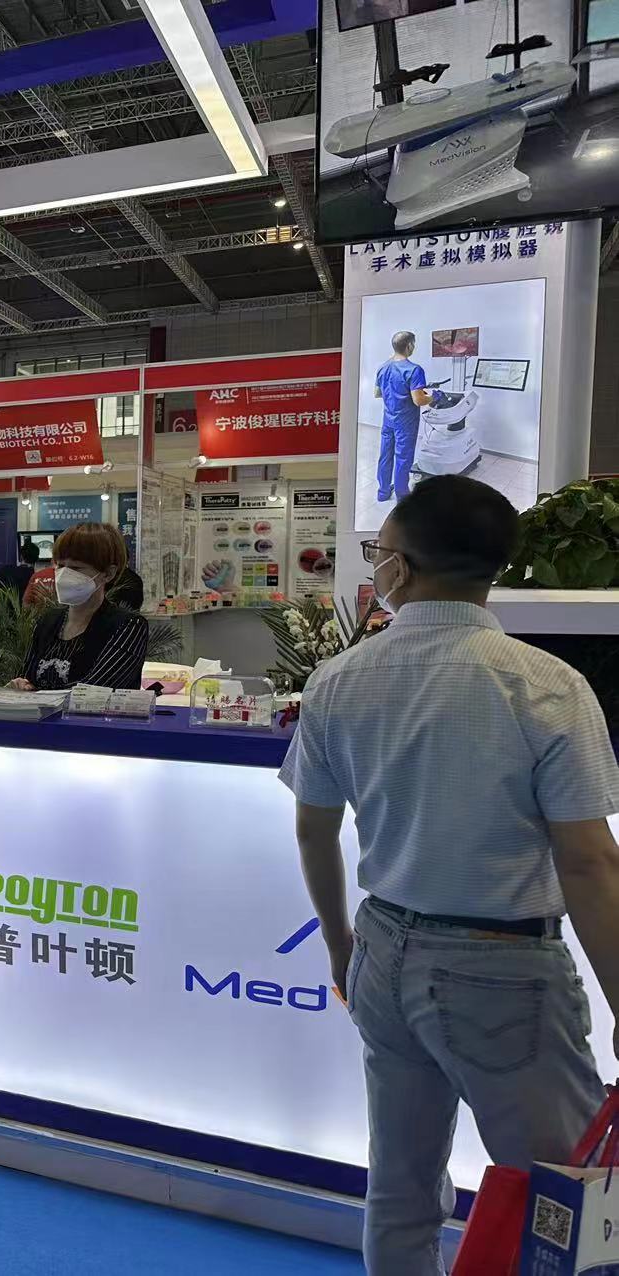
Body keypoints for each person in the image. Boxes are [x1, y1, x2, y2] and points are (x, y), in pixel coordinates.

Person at [280, 476, 619, 1273]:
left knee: (401, 1191)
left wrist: (341, 947)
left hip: (383, 950)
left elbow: (313, 828)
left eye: (379, 552)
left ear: (400, 567)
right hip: (502, 968)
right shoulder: (546, 684)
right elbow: (587, 859)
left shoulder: (340, 678)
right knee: (561, 1200)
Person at [11, 523, 147, 692]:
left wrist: (38, 693)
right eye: (60, 566)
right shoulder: (47, 621)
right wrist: (20, 685)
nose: (64, 575)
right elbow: (27, 676)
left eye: (76, 568)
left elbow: (93, 690)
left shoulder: (127, 626)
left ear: (108, 573)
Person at [375, 329, 431, 506]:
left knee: (385, 455)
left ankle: (383, 492)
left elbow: (377, 393)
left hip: (388, 420)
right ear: (409, 346)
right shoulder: (414, 370)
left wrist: (395, 395)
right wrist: (433, 397)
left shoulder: (383, 367)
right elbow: (418, 400)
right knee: (403, 458)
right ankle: (402, 496)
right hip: (405, 422)